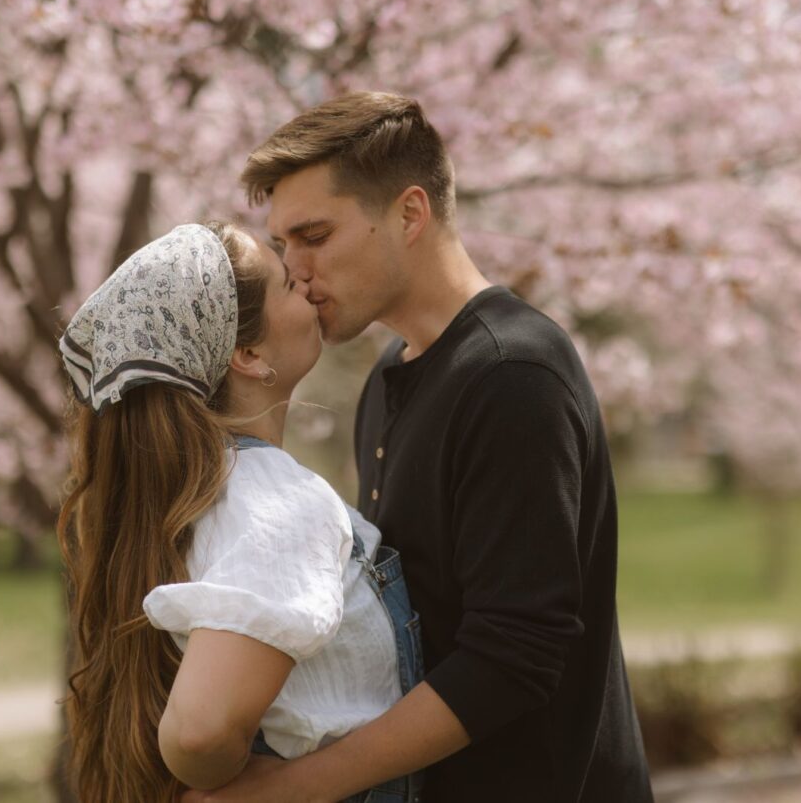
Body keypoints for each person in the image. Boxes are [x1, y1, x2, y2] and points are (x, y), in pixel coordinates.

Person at [183, 93, 654, 802]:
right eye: (283, 244)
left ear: (409, 213)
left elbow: (514, 656)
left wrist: (289, 788)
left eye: (314, 234)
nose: (296, 269)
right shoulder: (385, 381)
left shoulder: (512, 372)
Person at [56, 221, 424, 803]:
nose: (304, 279)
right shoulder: (278, 502)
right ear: (248, 354)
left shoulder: (198, 498)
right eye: (284, 282)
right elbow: (199, 731)